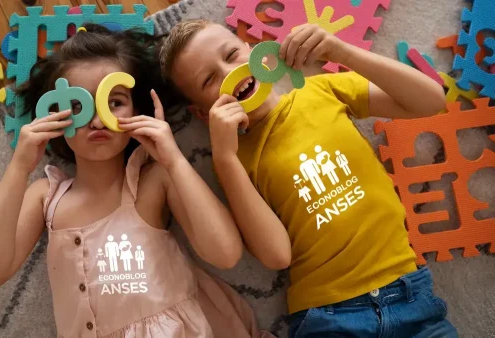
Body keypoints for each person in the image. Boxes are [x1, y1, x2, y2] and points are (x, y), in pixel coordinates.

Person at [0, 24, 272, 338]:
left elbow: (226, 253)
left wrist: (173, 158)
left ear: (137, 110)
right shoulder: (46, 195)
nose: (98, 120)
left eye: (114, 102)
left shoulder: (153, 180)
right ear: (53, 115)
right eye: (77, 106)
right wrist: (19, 167)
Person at [160, 20, 457, 337]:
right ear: (203, 114)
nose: (228, 74)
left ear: (254, 50)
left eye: (231, 54)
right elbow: (277, 255)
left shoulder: (321, 89)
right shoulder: (233, 159)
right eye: (209, 79)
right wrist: (225, 157)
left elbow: (432, 100)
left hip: (409, 294)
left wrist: (340, 51)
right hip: (330, 316)